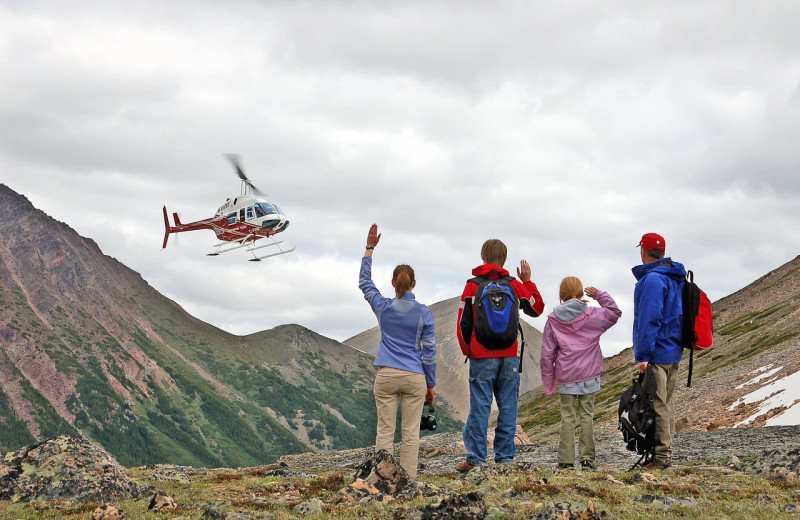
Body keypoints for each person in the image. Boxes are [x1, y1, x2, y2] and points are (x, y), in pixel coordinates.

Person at [455, 239, 545, 472]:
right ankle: (505, 458)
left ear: (483, 257)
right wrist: (528, 281)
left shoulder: (472, 286)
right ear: (504, 259)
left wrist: (470, 351)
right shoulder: (513, 285)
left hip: (481, 357)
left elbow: (462, 323)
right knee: (508, 407)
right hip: (509, 356)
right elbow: (536, 308)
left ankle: (476, 458)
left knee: (480, 407)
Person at [358, 223, 436, 480]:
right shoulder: (424, 312)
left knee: (385, 431)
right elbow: (429, 353)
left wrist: (370, 248)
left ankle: (383, 480)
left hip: (387, 375)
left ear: (393, 283)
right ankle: (409, 483)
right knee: (411, 434)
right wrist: (430, 386)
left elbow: (365, 283)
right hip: (415, 377)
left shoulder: (383, 307)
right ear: (414, 283)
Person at [539, 277, 621, 470]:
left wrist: (549, 382)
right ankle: (587, 460)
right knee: (586, 415)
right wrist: (600, 295)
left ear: (561, 295)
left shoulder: (553, 319)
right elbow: (615, 312)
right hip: (590, 374)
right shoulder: (593, 315)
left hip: (567, 374)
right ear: (581, 293)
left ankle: (565, 461)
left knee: (567, 416)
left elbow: (546, 355)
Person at [632, 232, 686, 470]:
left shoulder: (653, 279)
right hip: (673, 350)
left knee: (658, 404)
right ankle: (665, 451)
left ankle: (661, 457)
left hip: (658, 352)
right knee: (666, 402)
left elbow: (649, 319)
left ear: (643, 252)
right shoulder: (675, 276)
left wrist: (643, 355)